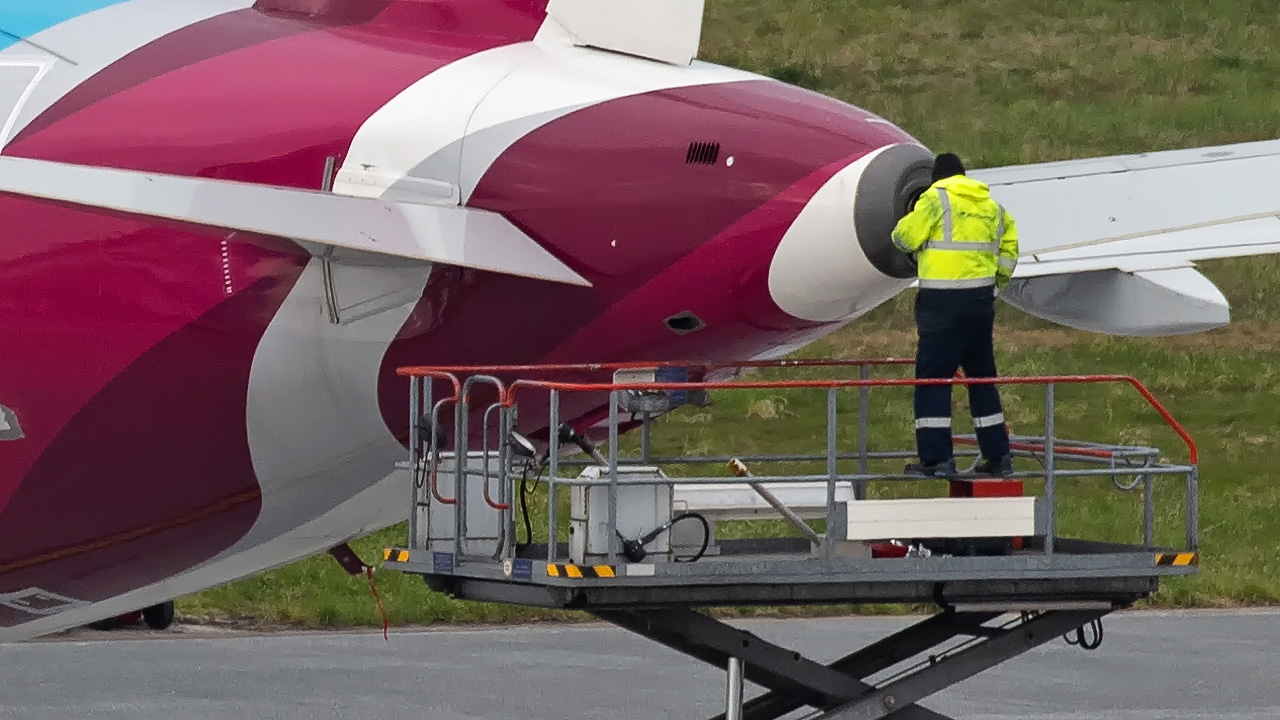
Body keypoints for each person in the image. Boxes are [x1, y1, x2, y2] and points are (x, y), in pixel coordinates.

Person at [891, 153, 1018, 478]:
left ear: (937, 177)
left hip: (942, 304)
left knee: (934, 380)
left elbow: (904, 237)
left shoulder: (935, 199)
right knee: (981, 380)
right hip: (979, 304)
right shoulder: (990, 206)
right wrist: (993, 288)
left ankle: (936, 460)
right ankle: (998, 456)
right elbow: (1009, 251)